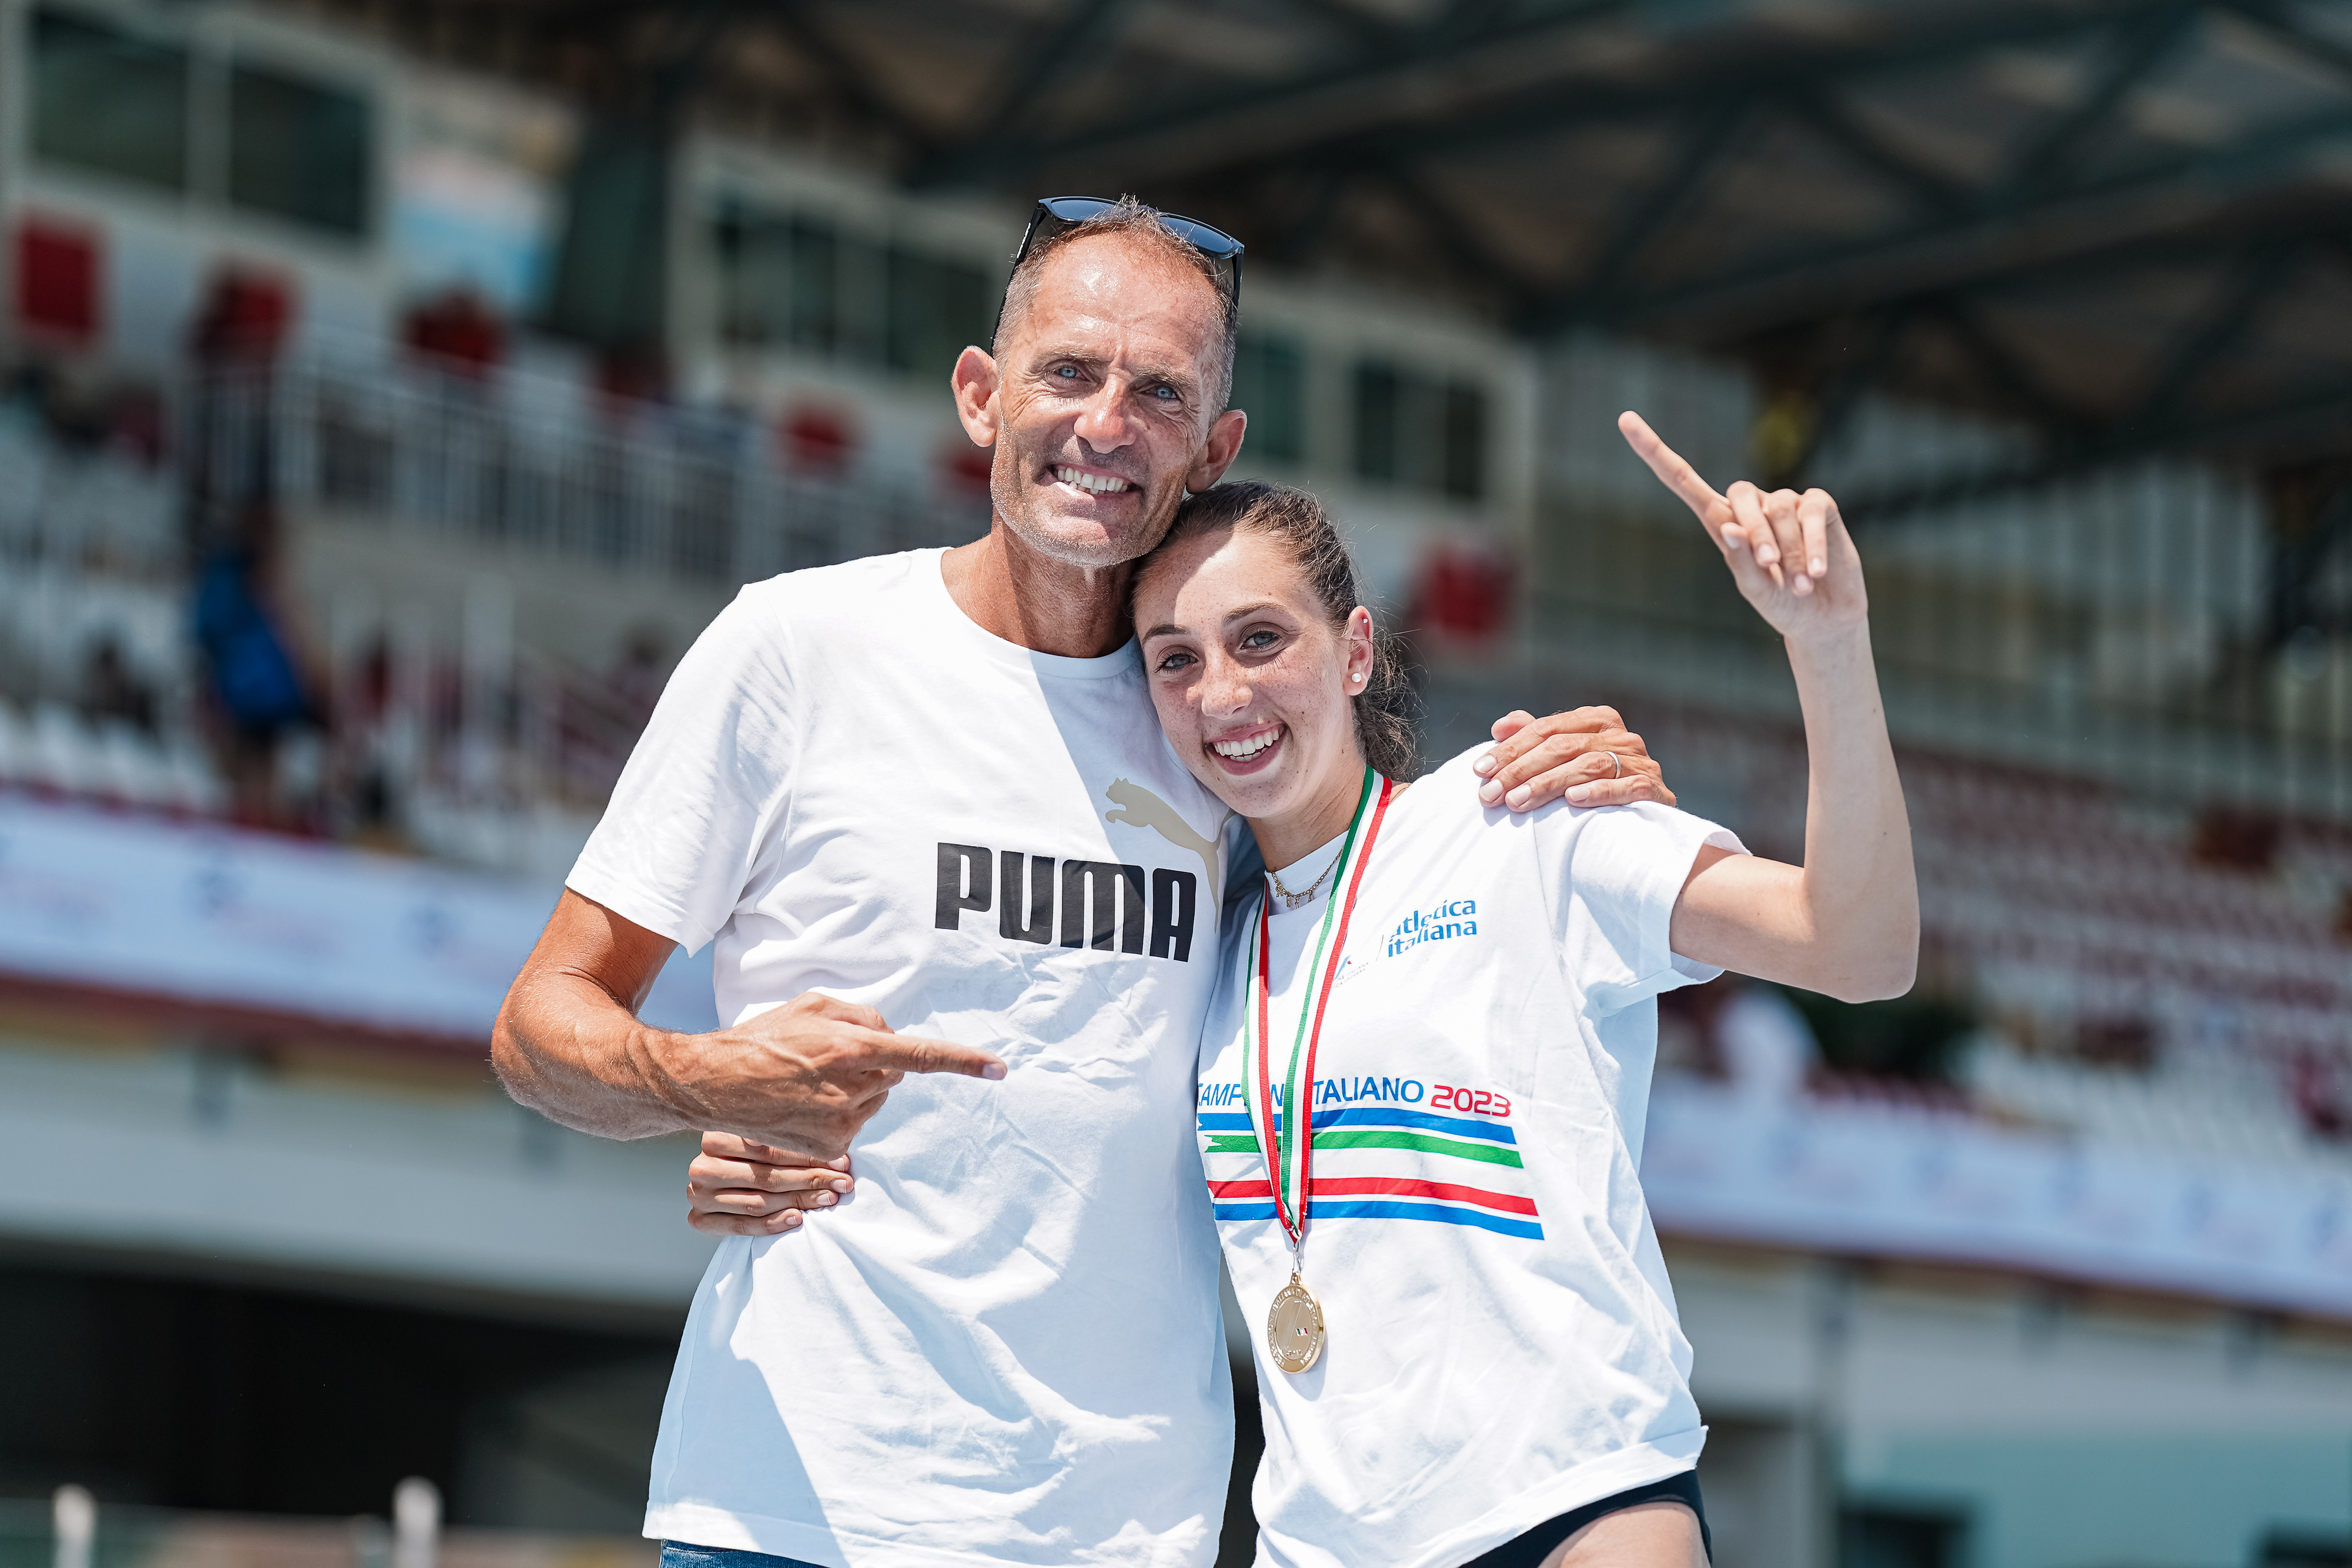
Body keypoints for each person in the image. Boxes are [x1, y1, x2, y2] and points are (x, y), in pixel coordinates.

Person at [493, 195, 1673, 1568]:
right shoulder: (796, 648)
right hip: (795, 1502)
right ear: (980, 394)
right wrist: (705, 1081)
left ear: (1214, 448)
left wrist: (1575, 772)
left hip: (1121, 1526)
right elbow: (540, 1024)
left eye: (1159, 391)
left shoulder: (1222, 720)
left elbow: (1409, 909)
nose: (1105, 423)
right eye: (1067, 371)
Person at [687, 417, 1917, 1568]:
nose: (1222, 694)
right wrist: (759, 1143)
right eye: (1175, 660)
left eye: (1261, 639)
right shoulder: (1208, 935)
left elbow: (1857, 948)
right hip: (1321, 1539)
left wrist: (1826, 642)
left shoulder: (1520, 817)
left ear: (1357, 650)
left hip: (1572, 1500)